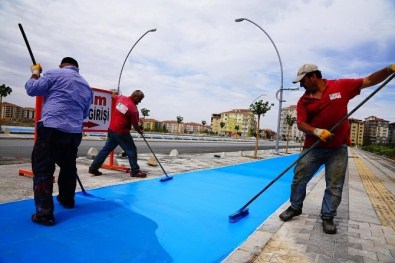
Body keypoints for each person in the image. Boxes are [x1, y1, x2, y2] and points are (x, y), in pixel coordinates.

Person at [279, 63, 395, 234]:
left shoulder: (340, 86)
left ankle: (328, 217)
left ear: (313, 76)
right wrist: (316, 131)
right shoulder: (304, 100)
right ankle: (295, 207)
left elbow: (369, 80)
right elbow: (301, 124)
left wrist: (388, 70)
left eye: (302, 81)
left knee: (334, 185)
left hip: (337, 149)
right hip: (313, 148)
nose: (301, 85)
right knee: (299, 178)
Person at [25, 57, 93, 226]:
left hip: (52, 129)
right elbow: (84, 113)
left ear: (62, 65)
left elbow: (32, 89)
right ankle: (67, 200)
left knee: (43, 169)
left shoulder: (55, 74)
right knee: (69, 167)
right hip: (74, 132)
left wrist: (35, 73)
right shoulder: (86, 86)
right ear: (77, 68)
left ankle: (44, 214)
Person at [89, 90, 147, 178]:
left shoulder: (120, 98)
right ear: (135, 96)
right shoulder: (133, 109)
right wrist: (140, 131)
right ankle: (135, 171)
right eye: (140, 99)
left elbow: (113, 96)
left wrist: (114, 93)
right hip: (121, 132)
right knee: (131, 150)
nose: (140, 101)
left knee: (106, 150)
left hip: (112, 130)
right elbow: (135, 125)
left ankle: (93, 168)